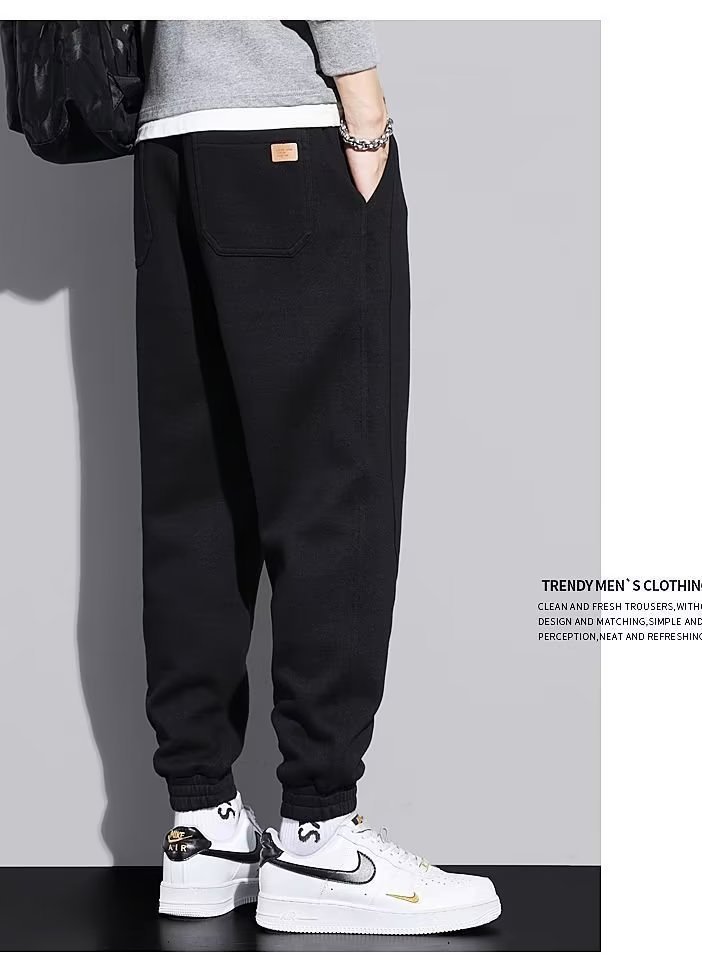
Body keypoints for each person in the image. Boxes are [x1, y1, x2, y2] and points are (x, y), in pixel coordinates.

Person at [135, 20, 500, 934]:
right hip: (285, 125)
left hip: (170, 138)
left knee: (197, 497)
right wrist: (362, 100)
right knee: (338, 485)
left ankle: (202, 826)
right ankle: (320, 837)